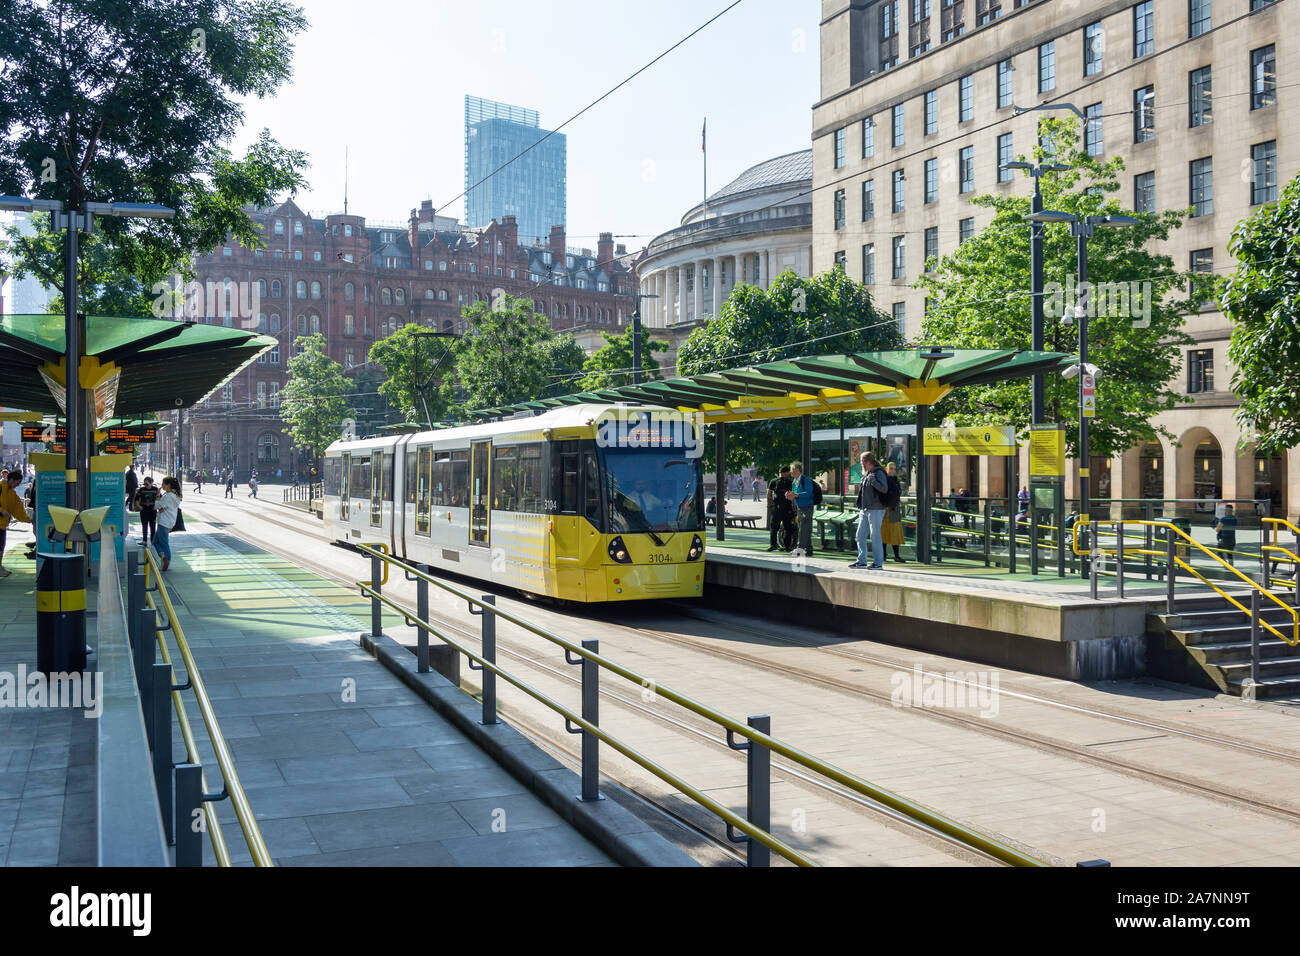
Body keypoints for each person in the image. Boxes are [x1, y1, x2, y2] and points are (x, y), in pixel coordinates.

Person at [851, 452, 889, 570]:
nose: (861, 463)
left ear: (868, 461)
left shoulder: (878, 472)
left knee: (875, 535)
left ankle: (878, 563)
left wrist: (873, 481)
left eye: (862, 461)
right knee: (860, 535)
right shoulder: (867, 473)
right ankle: (861, 561)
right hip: (865, 509)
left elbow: (884, 489)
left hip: (876, 509)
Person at [0, 469, 32, 578]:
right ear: (11, 480)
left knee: (1, 547)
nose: (17, 486)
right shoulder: (1, 486)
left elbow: (17, 509)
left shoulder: (12, 494)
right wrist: (1, 511)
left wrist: (28, 519)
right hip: (2, 523)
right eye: (17, 483)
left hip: (2, 525)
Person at [785, 462, 816, 557]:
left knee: (804, 527)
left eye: (792, 470)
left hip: (807, 506)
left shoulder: (805, 480)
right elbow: (795, 494)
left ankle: (800, 548)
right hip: (800, 507)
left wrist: (796, 495)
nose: (791, 472)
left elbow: (809, 493)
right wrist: (790, 495)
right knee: (804, 528)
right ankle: (809, 548)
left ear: (798, 470)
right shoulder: (794, 481)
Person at [154, 476, 183, 572]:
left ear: (168, 485)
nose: (162, 485)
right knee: (155, 541)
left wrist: (158, 495)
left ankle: (166, 561)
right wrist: (162, 508)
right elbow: (164, 507)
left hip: (163, 522)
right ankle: (163, 557)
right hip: (170, 522)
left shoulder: (168, 496)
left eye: (163, 484)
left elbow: (157, 505)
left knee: (164, 543)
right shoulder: (175, 496)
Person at [881, 461, 906, 563]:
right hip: (885, 509)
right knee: (884, 532)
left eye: (894, 469)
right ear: (886, 469)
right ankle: (883, 555)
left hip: (894, 508)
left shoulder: (895, 480)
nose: (893, 471)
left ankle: (896, 555)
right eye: (891, 468)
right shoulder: (884, 479)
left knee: (895, 532)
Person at [767, 465, 796, 552]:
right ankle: (787, 546)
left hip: (777, 507)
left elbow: (769, 494)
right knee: (788, 527)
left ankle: (773, 544)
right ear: (786, 473)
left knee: (774, 527)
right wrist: (794, 507)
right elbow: (793, 496)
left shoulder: (774, 481)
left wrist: (773, 503)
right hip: (787, 507)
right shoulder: (791, 482)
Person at [134, 477, 160, 548]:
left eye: (147, 484)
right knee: (144, 526)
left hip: (152, 511)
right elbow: (136, 499)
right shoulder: (141, 490)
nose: (145, 485)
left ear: (151, 483)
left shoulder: (155, 490)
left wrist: (156, 506)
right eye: (144, 484)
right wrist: (139, 506)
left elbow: (160, 499)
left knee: (153, 527)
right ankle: (144, 541)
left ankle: (153, 541)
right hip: (144, 510)